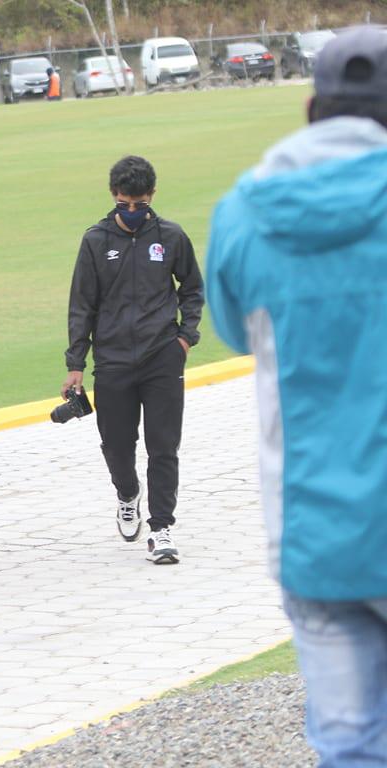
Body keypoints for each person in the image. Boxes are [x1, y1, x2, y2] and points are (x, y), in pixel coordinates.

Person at [206, 27, 387, 766]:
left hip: (314, 528)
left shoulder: (245, 213)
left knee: (347, 745)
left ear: (312, 106)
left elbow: (233, 328)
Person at [63, 155, 203, 564]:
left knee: (164, 446)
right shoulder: (95, 241)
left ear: (152, 197)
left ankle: (162, 529)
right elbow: (81, 306)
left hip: (163, 357)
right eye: (125, 203)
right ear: (114, 197)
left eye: (139, 204)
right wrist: (76, 363)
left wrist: (185, 338)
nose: (132, 211)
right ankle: (128, 493)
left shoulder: (171, 237)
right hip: (113, 361)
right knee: (118, 446)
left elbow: (192, 289)